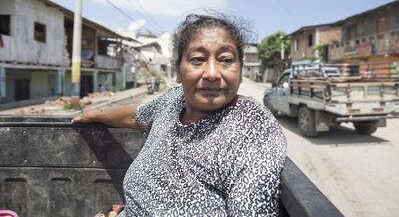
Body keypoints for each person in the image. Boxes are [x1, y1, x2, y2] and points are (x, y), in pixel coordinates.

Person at [73, 13, 287, 216]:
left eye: (225, 59)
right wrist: (96, 114)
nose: (212, 73)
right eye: (197, 59)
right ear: (178, 72)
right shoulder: (173, 100)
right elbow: (136, 116)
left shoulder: (252, 126)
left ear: (240, 71)